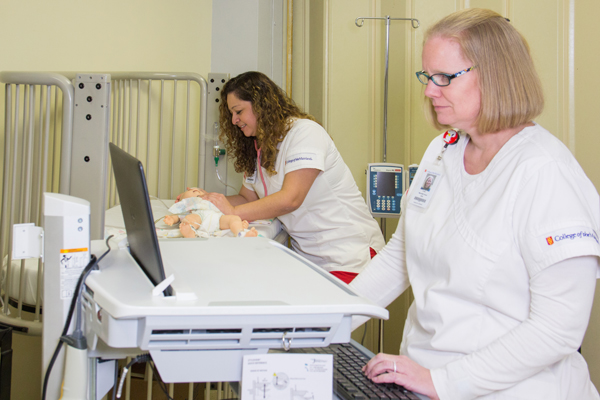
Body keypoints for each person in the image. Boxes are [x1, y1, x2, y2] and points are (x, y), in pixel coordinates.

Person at [350, 8, 600, 400]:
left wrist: (444, 382)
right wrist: (329, 319)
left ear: (497, 77)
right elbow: (401, 254)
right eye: (427, 77)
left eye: (444, 78)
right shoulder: (442, 151)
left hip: (511, 389)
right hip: (424, 378)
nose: (430, 90)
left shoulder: (544, 172)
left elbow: (558, 329)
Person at [201, 71, 385, 283]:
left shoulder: (304, 133)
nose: (234, 120)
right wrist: (207, 201)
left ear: (261, 105)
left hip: (348, 256)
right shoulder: (258, 147)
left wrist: (232, 212)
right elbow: (247, 199)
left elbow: (291, 198)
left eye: (238, 111)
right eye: (231, 114)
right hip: (310, 260)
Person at [165, 188, 257, 238]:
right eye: (193, 192)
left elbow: (225, 208)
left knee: (234, 218)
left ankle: (240, 232)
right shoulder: (192, 211)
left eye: (199, 191)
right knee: (189, 219)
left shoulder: (211, 202)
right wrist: (172, 219)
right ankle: (190, 232)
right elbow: (178, 217)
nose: (197, 190)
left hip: (218, 218)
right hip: (200, 218)